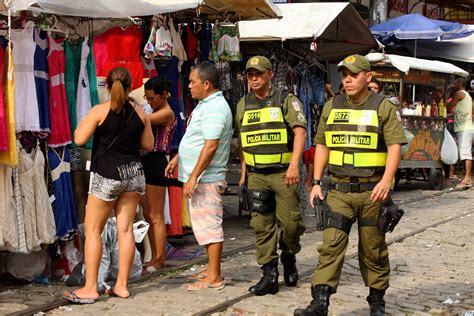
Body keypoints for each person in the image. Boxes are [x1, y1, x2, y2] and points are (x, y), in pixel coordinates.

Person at [294, 55, 407, 316]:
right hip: (339, 191)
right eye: (344, 74)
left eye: (354, 74)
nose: (347, 78)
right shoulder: (331, 106)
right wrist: (316, 182)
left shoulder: (383, 107)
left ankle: (377, 303)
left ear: (368, 77)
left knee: (373, 250)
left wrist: (387, 181)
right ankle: (320, 302)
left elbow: (394, 146)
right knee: (330, 246)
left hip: (372, 193)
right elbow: (322, 144)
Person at [64, 67, 153, 303]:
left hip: (107, 175)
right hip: (134, 174)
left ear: (108, 85)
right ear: (130, 85)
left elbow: (79, 140)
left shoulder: (100, 111)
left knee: (94, 230)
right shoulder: (140, 113)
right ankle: (121, 286)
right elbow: (148, 145)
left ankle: (90, 287)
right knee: (125, 231)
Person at [235, 56, 307, 296]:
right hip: (256, 175)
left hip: (283, 174)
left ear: (269, 75)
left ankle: (289, 255)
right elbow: (243, 140)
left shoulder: (286, 100)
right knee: (261, 225)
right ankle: (269, 274)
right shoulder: (242, 104)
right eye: (250, 74)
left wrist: (294, 165)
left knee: (291, 224)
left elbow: (299, 133)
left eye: (258, 73)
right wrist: (244, 173)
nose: (253, 78)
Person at [165, 61, 232, 290]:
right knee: (202, 225)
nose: (189, 86)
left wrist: (193, 176)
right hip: (200, 175)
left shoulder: (215, 108)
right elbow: (196, 139)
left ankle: (215, 276)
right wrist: (179, 158)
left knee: (210, 225)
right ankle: (211, 269)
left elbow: (210, 146)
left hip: (207, 178)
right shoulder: (206, 104)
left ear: (206, 83)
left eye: (193, 82)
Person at [141, 76, 177, 273]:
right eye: (147, 98)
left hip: (156, 161)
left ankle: (160, 258)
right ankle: (154, 256)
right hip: (146, 160)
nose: (149, 102)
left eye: (152, 98)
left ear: (163, 95)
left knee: (155, 215)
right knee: (148, 214)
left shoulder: (166, 113)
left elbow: (144, 120)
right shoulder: (153, 110)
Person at [448, 77, 473, 188]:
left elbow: (449, 105)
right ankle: (466, 178)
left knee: (466, 154)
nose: (454, 85)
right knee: (463, 154)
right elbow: (455, 111)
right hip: (463, 127)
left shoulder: (459, 93)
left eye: (455, 83)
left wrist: (446, 100)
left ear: (459, 83)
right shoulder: (466, 96)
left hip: (465, 128)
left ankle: (467, 178)